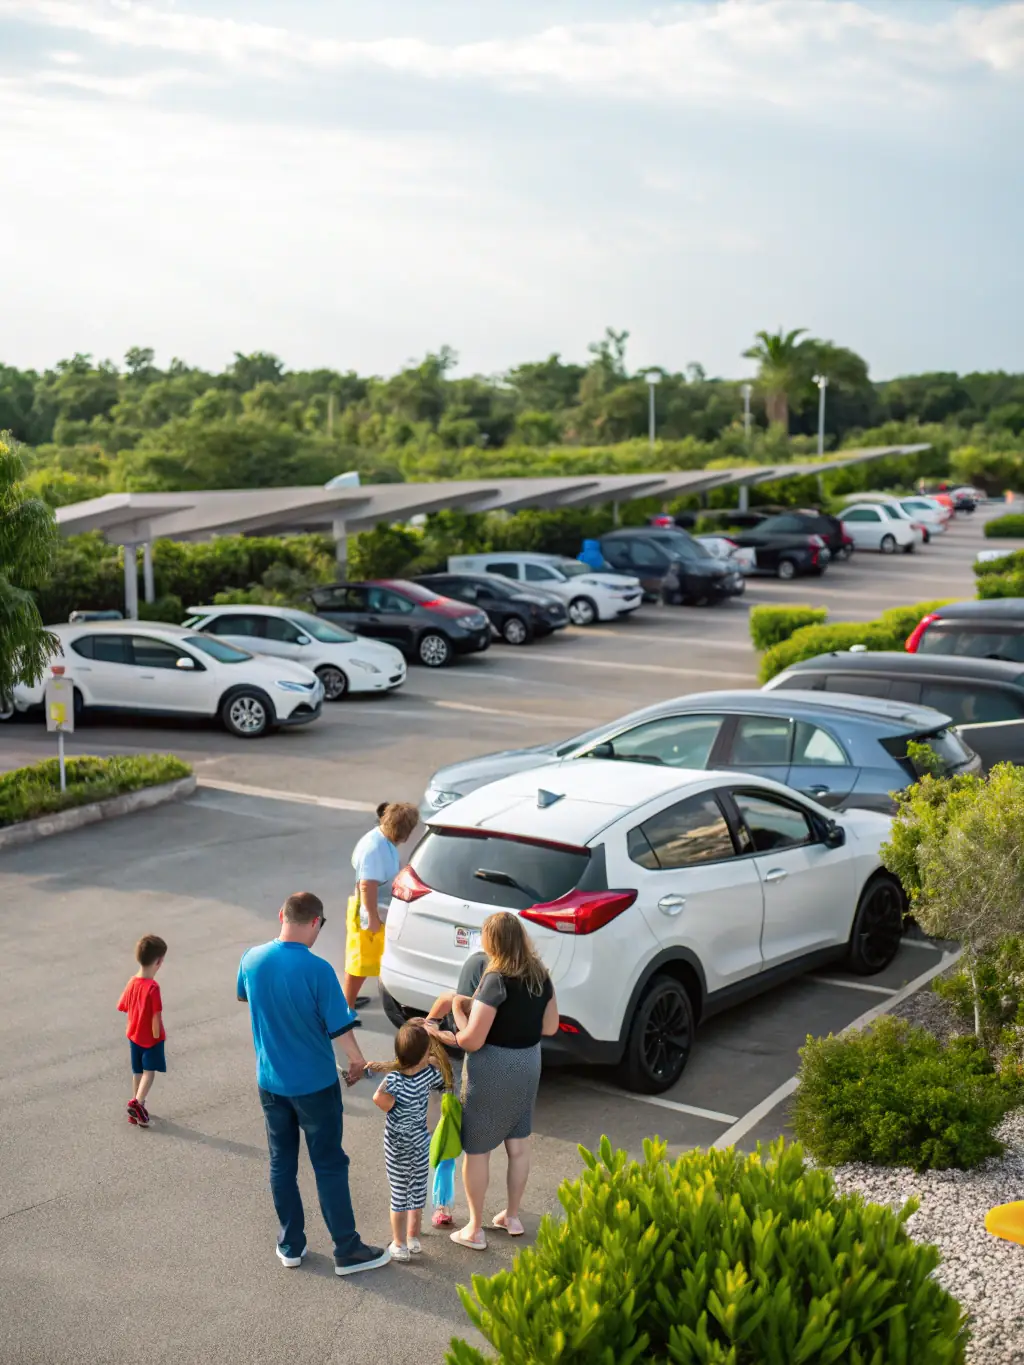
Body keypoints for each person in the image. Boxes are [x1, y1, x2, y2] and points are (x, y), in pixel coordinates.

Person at [237, 891, 389, 1276]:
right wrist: (358, 1063)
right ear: (315, 923)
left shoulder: (251, 960)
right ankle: (347, 1249)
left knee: (281, 1162)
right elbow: (340, 1029)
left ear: (281, 915)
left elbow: (246, 997)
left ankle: (291, 1245)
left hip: (271, 1083)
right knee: (329, 1164)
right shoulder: (319, 970)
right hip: (316, 1086)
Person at [425, 911, 559, 1251]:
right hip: (529, 1063)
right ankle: (511, 1216)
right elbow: (550, 1027)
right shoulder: (540, 975)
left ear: (492, 941)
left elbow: (471, 1040)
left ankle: (474, 1228)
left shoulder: (495, 978)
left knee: (478, 1149)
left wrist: (456, 1011)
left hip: (493, 1070)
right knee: (518, 1144)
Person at [370, 1021, 454, 1261]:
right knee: (417, 1188)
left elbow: (378, 1098)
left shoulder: (395, 1079)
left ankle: (398, 1244)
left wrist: (393, 1106)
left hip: (397, 1144)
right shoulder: (428, 1074)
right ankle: (413, 1238)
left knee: (399, 1192)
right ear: (424, 1056)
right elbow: (442, 1083)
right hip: (421, 1140)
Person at [344, 801, 420, 1009]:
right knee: (360, 963)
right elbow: (367, 886)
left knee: (368, 960)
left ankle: (347, 1001)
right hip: (369, 913)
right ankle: (345, 1009)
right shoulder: (374, 848)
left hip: (377, 910)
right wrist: (373, 918)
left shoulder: (381, 839)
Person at [117, 933, 168, 1128]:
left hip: (134, 1036)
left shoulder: (132, 982)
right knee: (149, 1072)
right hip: (150, 1039)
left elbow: (123, 1006)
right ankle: (137, 1104)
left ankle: (137, 1109)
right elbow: (156, 1016)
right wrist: (157, 1037)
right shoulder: (153, 987)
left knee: (137, 1071)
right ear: (159, 962)